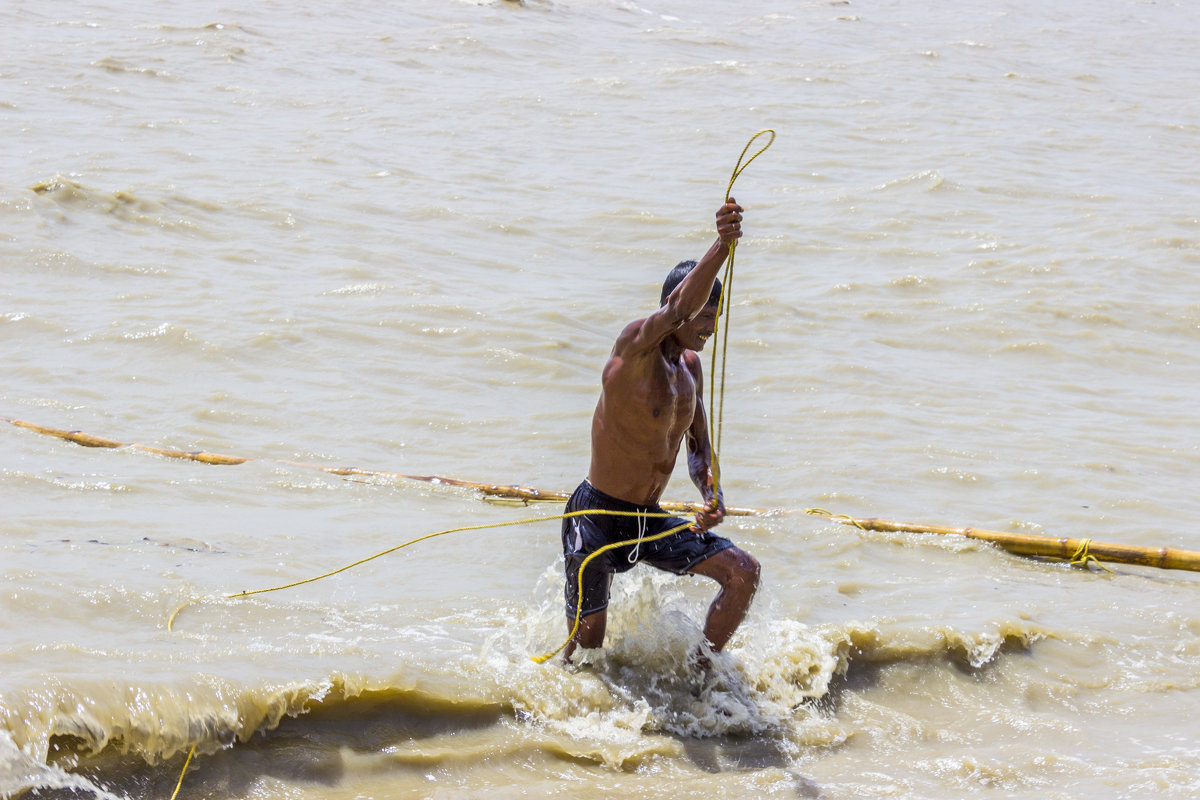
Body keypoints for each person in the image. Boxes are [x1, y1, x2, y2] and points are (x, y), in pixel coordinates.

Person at [561, 197, 761, 665]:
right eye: (704, 315)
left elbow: (697, 450)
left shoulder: (690, 369)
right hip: (595, 516)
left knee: (743, 572)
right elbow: (676, 309)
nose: (710, 327)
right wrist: (722, 246)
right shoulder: (633, 347)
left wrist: (711, 494)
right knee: (587, 649)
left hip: (646, 521)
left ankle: (700, 672)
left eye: (717, 317)